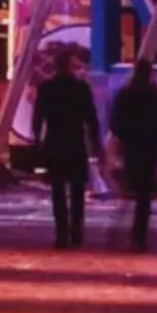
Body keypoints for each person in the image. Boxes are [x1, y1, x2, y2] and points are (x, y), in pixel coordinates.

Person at [33, 49, 101, 251]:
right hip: (75, 143)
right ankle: (77, 231)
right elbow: (91, 118)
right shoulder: (80, 88)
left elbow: (38, 119)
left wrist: (38, 141)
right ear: (69, 65)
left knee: (58, 191)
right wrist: (95, 144)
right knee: (77, 190)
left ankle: (61, 233)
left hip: (54, 143)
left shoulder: (46, 88)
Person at [108, 61, 157, 252]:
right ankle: (140, 234)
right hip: (149, 148)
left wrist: (122, 139)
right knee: (145, 194)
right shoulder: (155, 96)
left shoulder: (125, 95)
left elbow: (116, 122)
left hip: (131, 147)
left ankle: (125, 231)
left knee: (132, 186)